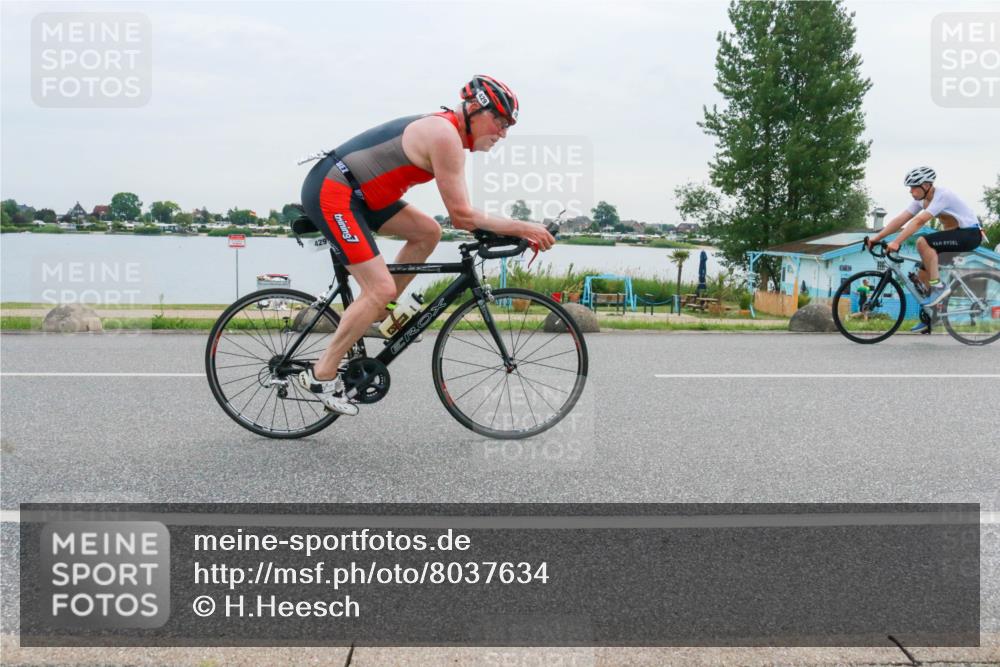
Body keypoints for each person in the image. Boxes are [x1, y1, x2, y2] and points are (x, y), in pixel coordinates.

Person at [296, 75, 555, 415]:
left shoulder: (450, 134)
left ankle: (381, 316)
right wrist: (523, 228)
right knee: (379, 288)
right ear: (476, 110)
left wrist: (510, 230)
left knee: (428, 233)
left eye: (508, 126)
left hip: (363, 197)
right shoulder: (445, 136)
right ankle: (321, 374)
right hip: (335, 191)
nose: (503, 133)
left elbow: (457, 220)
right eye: (500, 121)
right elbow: (461, 215)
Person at [866, 167, 984, 332]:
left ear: (927, 185)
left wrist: (897, 242)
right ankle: (931, 317)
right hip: (954, 235)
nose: (911, 191)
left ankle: (939, 287)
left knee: (922, 242)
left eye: (914, 187)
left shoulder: (943, 195)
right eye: (910, 188)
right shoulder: (920, 200)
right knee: (922, 276)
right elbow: (900, 220)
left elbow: (919, 221)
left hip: (969, 234)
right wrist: (876, 238)